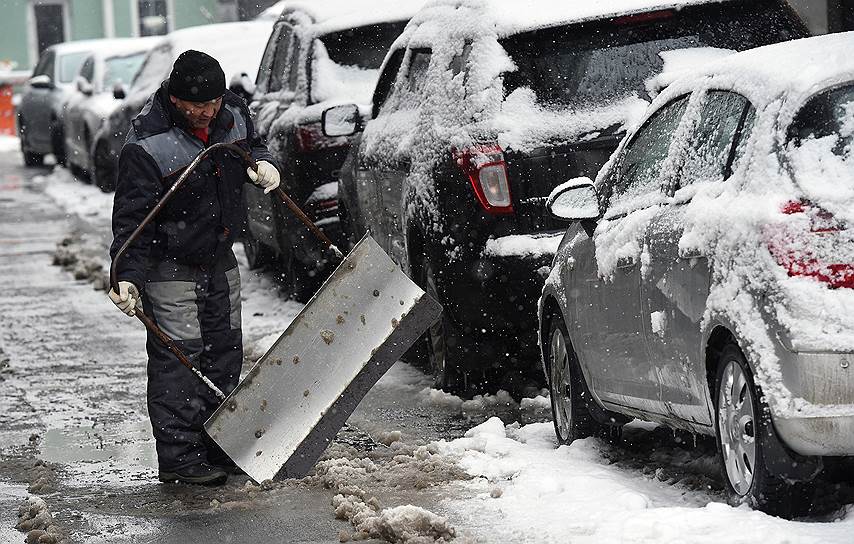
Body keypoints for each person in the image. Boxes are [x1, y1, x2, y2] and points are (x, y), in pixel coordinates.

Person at [108, 50, 280, 486]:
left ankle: (217, 445)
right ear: (175, 98)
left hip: (220, 253)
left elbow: (252, 143)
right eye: (197, 106)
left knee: (224, 351)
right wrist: (126, 274)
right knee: (179, 360)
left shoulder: (233, 113)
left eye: (214, 104)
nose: (207, 113)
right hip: (170, 264)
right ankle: (181, 458)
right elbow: (132, 220)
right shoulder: (146, 144)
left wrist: (263, 162)